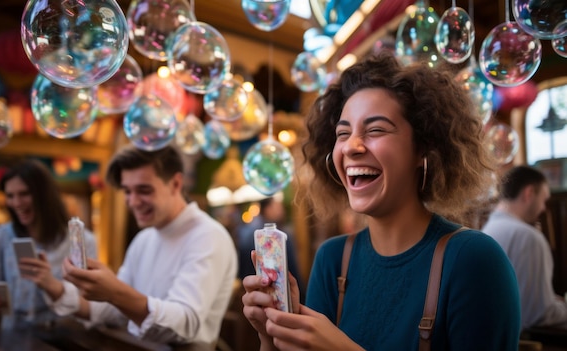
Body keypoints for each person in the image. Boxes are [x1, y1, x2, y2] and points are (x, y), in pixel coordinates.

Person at [241, 53, 521, 350]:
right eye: (343, 133)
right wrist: (270, 337)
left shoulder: (474, 260)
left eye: (375, 130)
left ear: (423, 148)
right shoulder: (332, 260)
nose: (351, 146)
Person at [45, 145, 238, 346]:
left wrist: (115, 292)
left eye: (143, 190)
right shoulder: (144, 239)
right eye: (127, 191)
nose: (133, 202)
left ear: (175, 183)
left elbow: (185, 323)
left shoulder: (208, 235)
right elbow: (113, 311)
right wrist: (53, 286)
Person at [0, 159, 97, 330]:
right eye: (10, 196)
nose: (16, 203)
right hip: (14, 333)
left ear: (44, 195)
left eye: (24, 193)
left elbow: (89, 300)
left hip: (66, 333)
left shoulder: (81, 240)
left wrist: (51, 285)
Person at [482, 165, 567, 330]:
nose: (543, 208)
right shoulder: (528, 237)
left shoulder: (489, 229)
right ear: (529, 194)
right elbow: (538, 315)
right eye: (543, 200)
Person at [237, 196, 304, 301]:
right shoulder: (281, 236)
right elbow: (292, 268)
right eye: (277, 206)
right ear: (268, 209)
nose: (282, 209)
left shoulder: (247, 232)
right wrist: (301, 293)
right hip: (283, 293)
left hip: (254, 292)